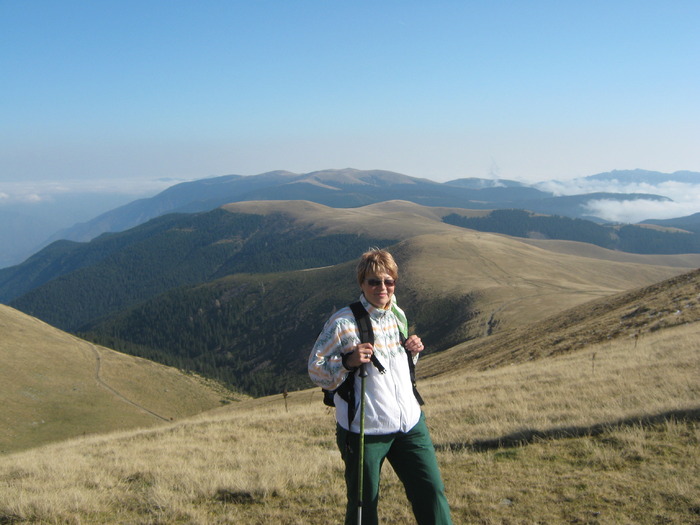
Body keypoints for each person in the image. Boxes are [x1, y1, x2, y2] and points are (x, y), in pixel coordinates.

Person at [308, 248, 452, 525]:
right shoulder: (342, 322)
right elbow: (315, 369)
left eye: (389, 281)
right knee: (364, 505)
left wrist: (413, 351)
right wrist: (348, 362)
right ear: (362, 283)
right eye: (374, 281)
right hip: (365, 430)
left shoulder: (398, 314)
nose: (382, 287)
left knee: (432, 492)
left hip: (410, 424)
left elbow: (397, 368)